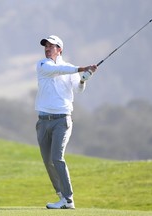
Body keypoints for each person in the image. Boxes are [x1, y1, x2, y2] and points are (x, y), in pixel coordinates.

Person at [35, 35, 97, 209]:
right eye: (46, 46)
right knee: (48, 161)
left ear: (59, 49)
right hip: (42, 121)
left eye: (51, 46)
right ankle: (61, 196)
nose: (47, 48)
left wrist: (84, 78)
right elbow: (60, 70)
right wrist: (83, 68)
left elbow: (78, 89)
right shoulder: (42, 65)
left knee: (57, 157)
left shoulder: (70, 69)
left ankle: (68, 199)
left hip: (62, 120)